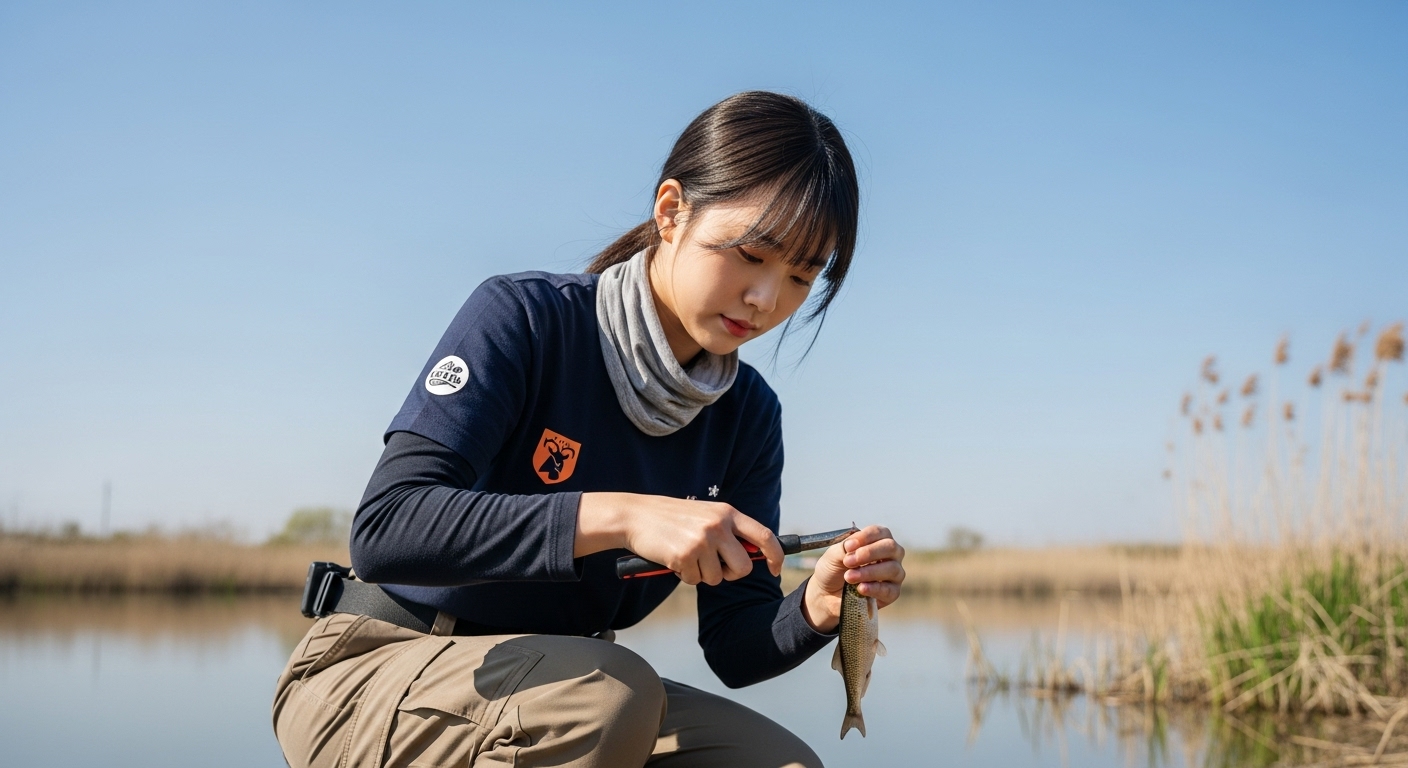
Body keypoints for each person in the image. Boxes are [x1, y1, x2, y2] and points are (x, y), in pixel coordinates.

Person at [272, 91, 907, 768]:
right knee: (611, 696)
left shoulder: (748, 415)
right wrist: (622, 517)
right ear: (672, 212)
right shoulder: (525, 319)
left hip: (566, 690)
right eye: (751, 255)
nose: (766, 299)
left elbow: (734, 647)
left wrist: (816, 604)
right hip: (379, 665)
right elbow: (386, 530)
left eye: (801, 277)